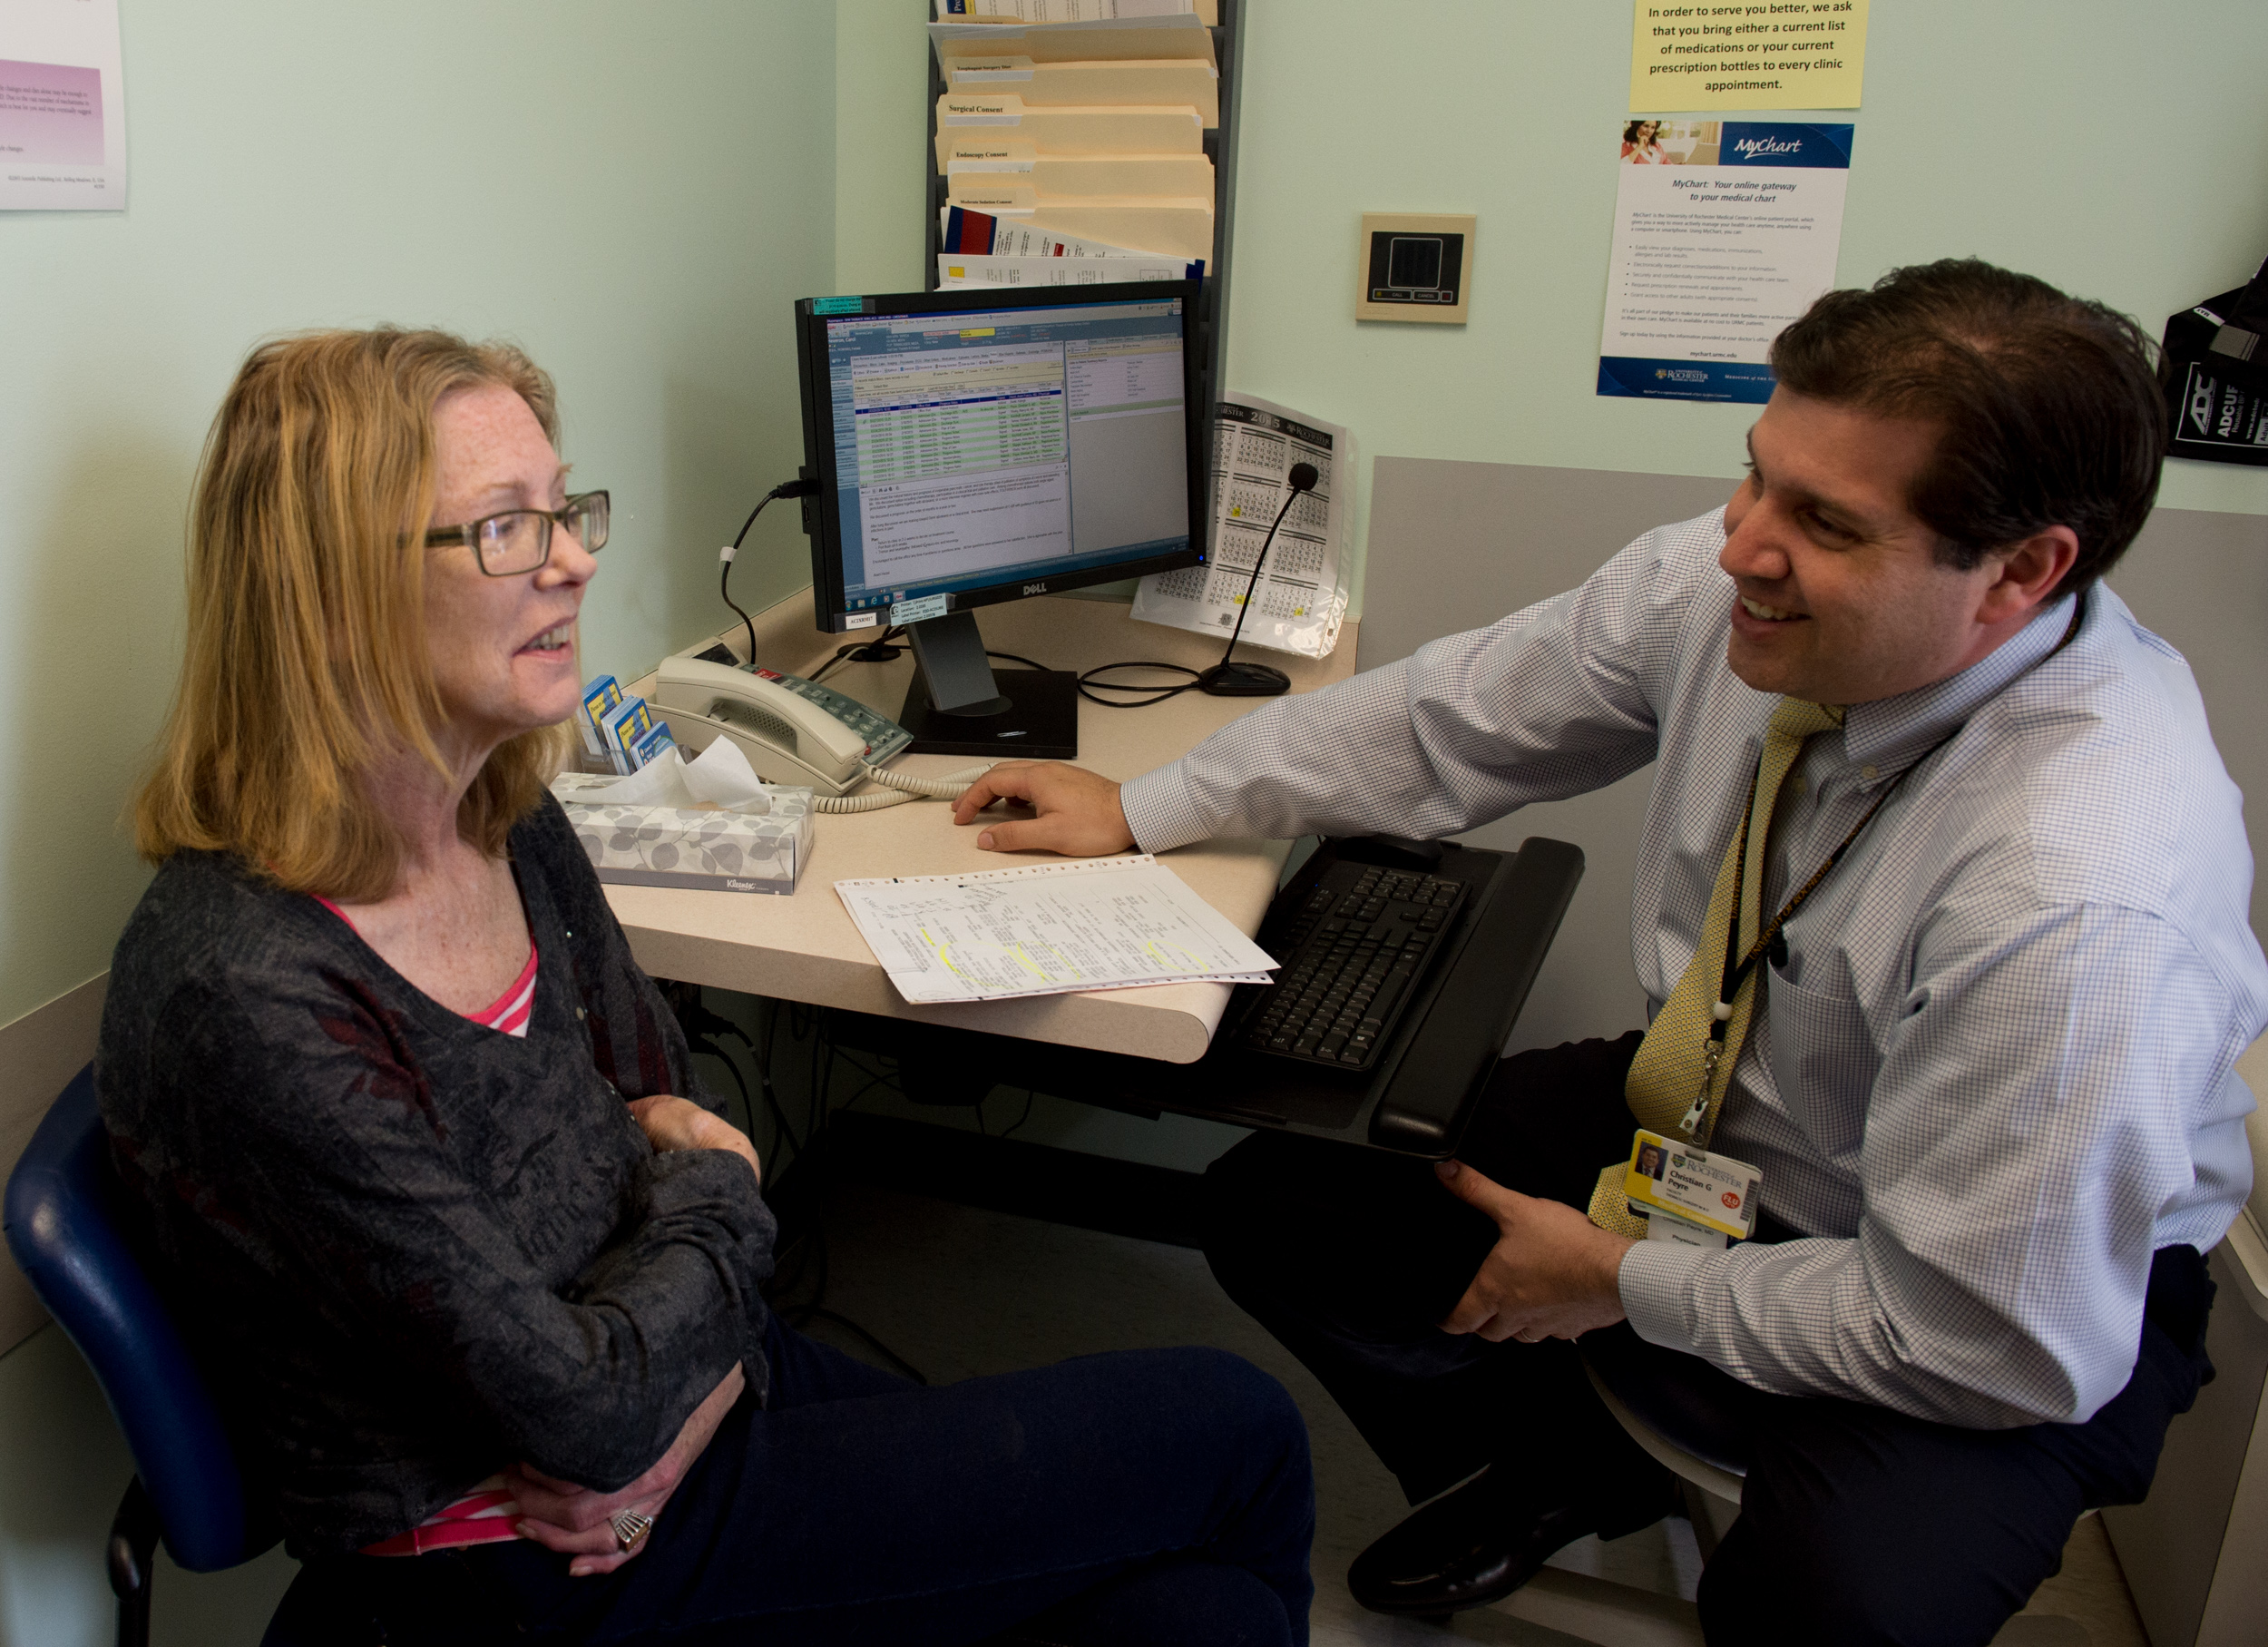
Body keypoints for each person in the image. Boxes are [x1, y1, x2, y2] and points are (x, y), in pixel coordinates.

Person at [950, 260, 2266, 1644]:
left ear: (2023, 571)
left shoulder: (2085, 900)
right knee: (1285, 1208)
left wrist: (1618, 1282)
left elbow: (1996, 1340)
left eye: (1824, 520)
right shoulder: (1738, 587)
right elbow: (1450, 719)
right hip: (1732, 1116)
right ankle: (1560, 1471)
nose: (1741, 545)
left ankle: (1600, 1405)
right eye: (1755, 476)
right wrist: (1153, 808)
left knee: (1838, 1605)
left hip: (1997, 1274)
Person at [98, 328, 1315, 1646]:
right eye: (506, 527)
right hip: (530, 1564)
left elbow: (660, 1108)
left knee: (1202, 1614)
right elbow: (594, 1382)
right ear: (332, 593)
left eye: (566, 509)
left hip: (692, 1413)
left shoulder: (503, 815)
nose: (576, 556)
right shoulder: (244, 995)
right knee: (1238, 1436)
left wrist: (681, 1378)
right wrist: (712, 1196)